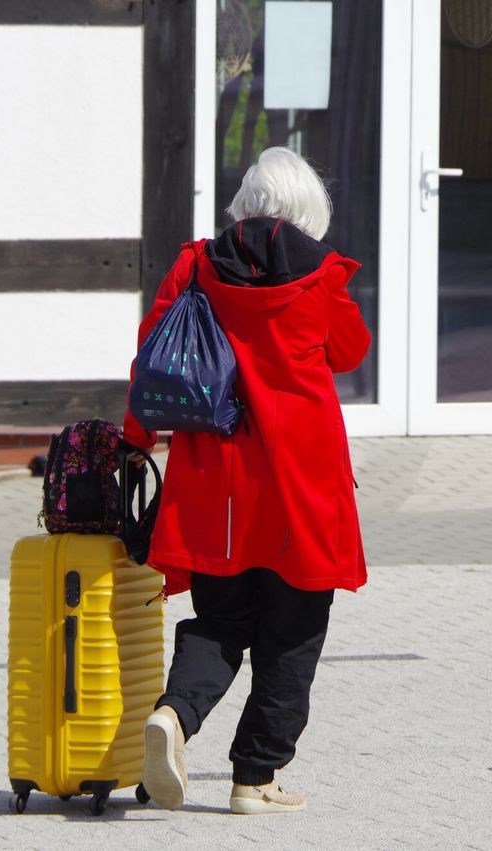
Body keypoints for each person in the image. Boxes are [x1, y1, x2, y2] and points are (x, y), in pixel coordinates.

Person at [122, 146, 370, 815]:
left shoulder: (195, 265)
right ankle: (254, 777)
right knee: (293, 631)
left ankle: (173, 717)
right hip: (301, 490)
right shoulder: (321, 274)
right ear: (307, 208)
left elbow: (153, 356)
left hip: (213, 484)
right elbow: (350, 350)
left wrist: (134, 442)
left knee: (221, 619)